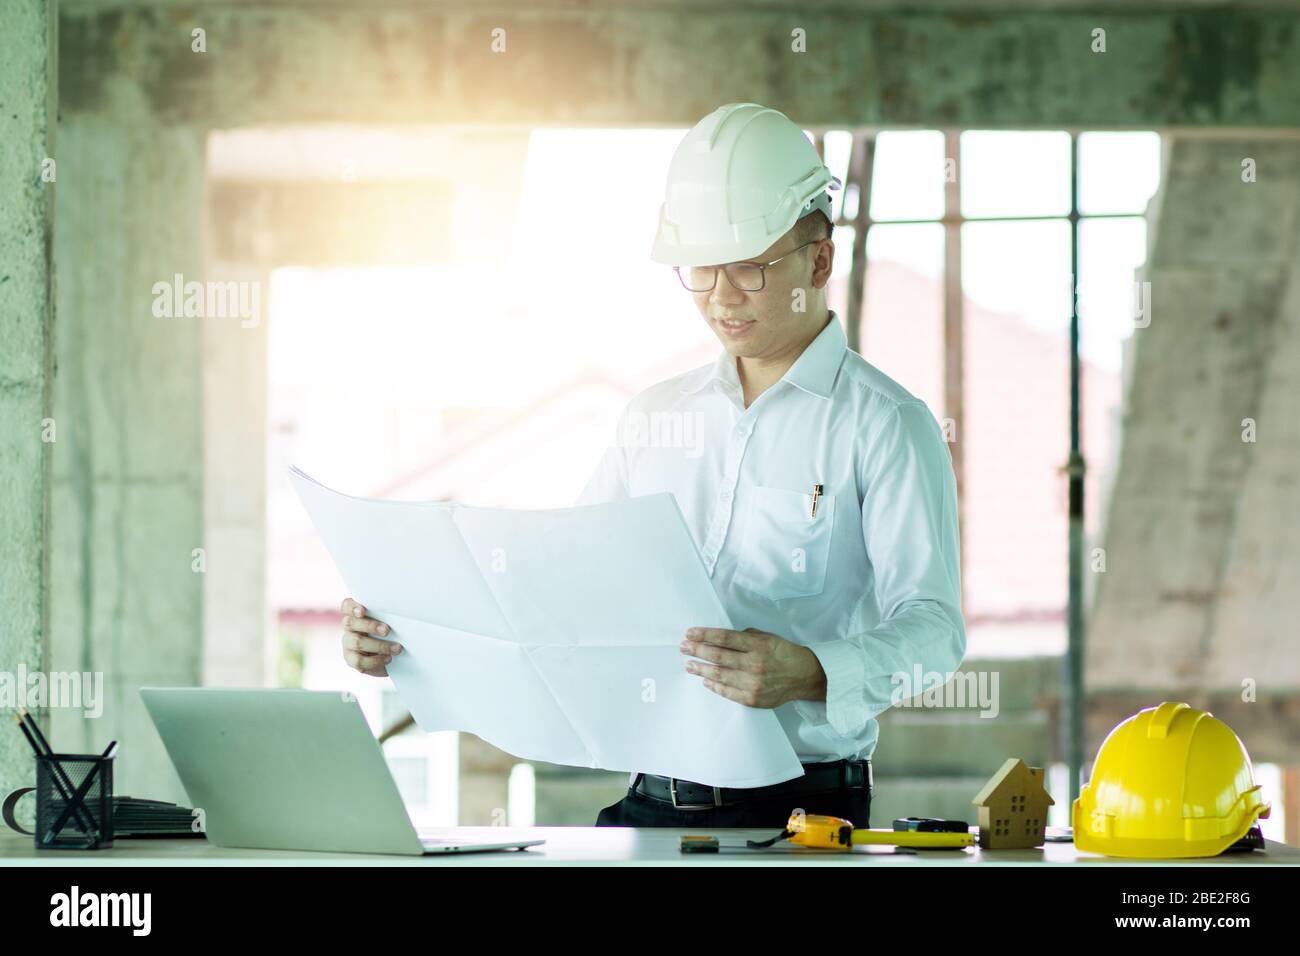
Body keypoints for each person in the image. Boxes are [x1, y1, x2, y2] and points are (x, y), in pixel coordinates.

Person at [340, 102, 966, 829]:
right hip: (650, 805)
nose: (722, 298)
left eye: (750, 269)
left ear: (819, 261)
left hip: (800, 814)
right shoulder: (654, 419)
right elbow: (560, 586)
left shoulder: (885, 424)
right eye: (701, 270)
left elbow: (935, 631)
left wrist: (811, 671)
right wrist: (407, 636)